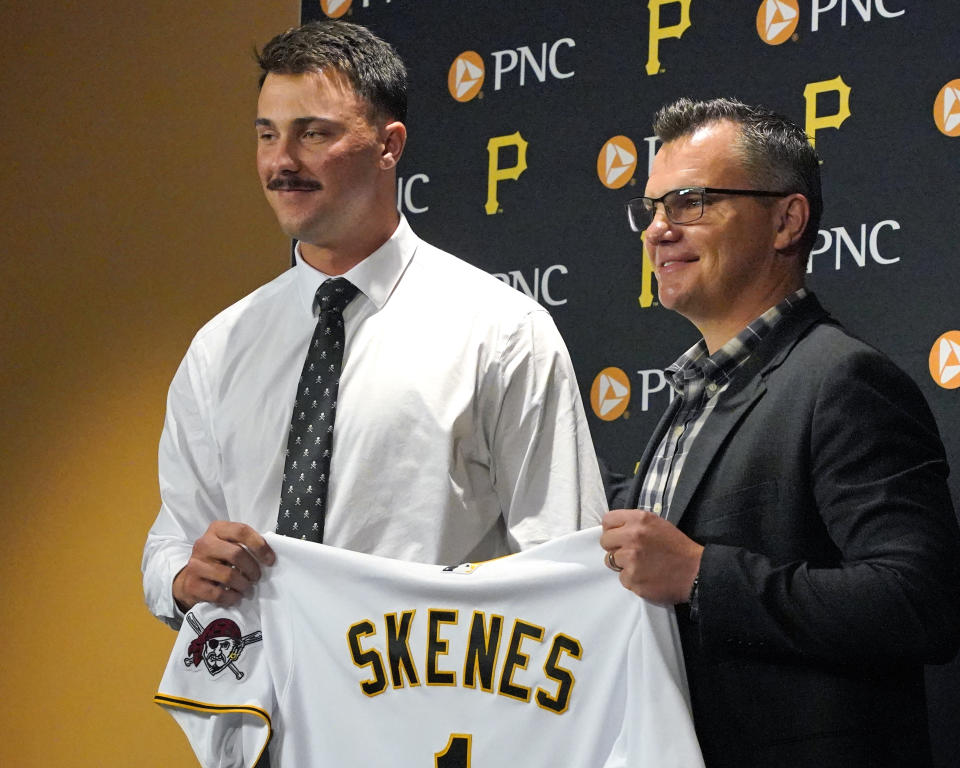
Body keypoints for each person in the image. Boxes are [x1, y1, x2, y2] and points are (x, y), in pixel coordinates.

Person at [142, 20, 605, 629]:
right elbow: (172, 540)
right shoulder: (220, 346)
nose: (281, 162)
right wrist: (181, 579)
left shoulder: (501, 331)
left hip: (431, 710)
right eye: (266, 134)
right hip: (258, 708)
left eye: (313, 134)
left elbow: (563, 560)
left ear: (389, 146)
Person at [599, 97, 960, 768]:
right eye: (651, 209)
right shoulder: (694, 393)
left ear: (786, 220)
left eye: (690, 202)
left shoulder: (843, 381)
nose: (657, 231)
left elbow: (920, 601)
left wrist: (704, 575)